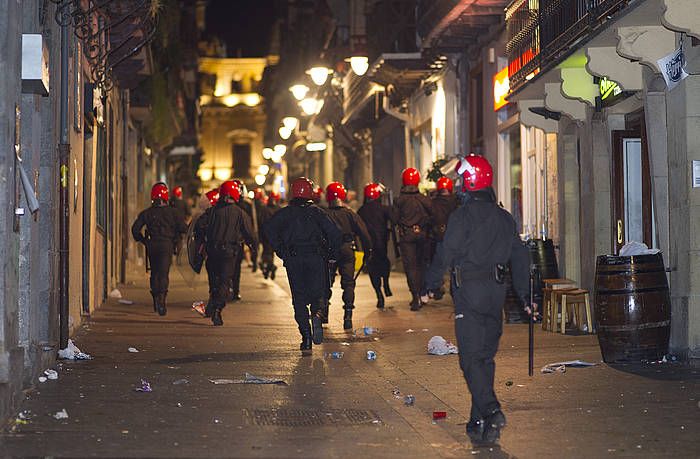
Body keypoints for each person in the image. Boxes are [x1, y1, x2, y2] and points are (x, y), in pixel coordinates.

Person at [424, 154, 531, 447]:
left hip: (469, 294)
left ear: (470, 182)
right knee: (484, 358)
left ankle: (492, 410)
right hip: (496, 294)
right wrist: (527, 295)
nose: (459, 185)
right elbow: (520, 256)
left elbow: (445, 253)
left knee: (470, 360)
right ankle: (478, 420)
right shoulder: (504, 217)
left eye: (462, 179)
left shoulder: (462, 217)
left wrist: (431, 286)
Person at [264, 177, 342, 354]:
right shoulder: (318, 212)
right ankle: (317, 315)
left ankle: (306, 337)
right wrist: (331, 255)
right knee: (318, 293)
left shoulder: (285, 213)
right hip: (316, 258)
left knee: (299, 299)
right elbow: (335, 233)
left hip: (294, 258)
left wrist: (281, 249)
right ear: (310, 192)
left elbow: (268, 229)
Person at [195, 180, 257, 326]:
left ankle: (212, 305)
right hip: (229, 253)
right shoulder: (240, 213)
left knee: (214, 281)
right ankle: (217, 309)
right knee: (224, 282)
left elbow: (199, 226)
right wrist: (253, 247)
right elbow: (250, 233)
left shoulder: (212, 211)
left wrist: (202, 242)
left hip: (212, 252)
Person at [131, 183, 187, 316]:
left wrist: (144, 241)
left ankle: (156, 296)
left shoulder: (147, 213)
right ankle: (161, 299)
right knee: (163, 273)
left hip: (152, 245)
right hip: (166, 245)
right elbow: (184, 228)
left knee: (154, 272)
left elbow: (135, 230)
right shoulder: (174, 212)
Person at [324, 182, 372, 330]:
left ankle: (324, 313)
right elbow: (364, 233)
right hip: (347, 249)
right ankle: (348, 316)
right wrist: (367, 251)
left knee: (326, 282)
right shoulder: (350, 214)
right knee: (349, 283)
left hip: (330, 251)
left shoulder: (323, 214)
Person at [392, 167, 433, 311]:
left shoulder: (399, 200)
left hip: (407, 237)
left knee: (411, 267)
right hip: (423, 235)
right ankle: (422, 293)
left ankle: (415, 297)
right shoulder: (425, 199)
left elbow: (394, 219)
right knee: (421, 265)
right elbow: (433, 215)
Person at [357, 183, 393, 309]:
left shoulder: (361, 210)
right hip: (381, 243)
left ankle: (379, 294)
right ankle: (386, 284)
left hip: (368, 245)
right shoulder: (383, 208)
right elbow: (393, 218)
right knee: (385, 264)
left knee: (373, 271)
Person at [428, 176, 459, 297]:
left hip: (440, 237)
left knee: (438, 264)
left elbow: (430, 219)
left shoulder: (433, 202)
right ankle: (454, 290)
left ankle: (430, 288)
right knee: (455, 266)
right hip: (456, 237)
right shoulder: (457, 201)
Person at [230, 179, 257, 301]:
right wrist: (252, 240)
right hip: (239, 240)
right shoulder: (247, 204)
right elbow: (251, 224)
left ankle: (231, 289)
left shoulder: (227, 204)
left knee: (230, 267)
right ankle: (235, 290)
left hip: (233, 239)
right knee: (236, 267)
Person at [258, 190, 281, 279]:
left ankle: (270, 267)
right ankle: (269, 267)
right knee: (269, 252)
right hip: (275, 235)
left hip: (266, 234)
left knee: (267, 252)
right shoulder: (279, 209)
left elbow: (260, 221)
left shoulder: (264, 208)